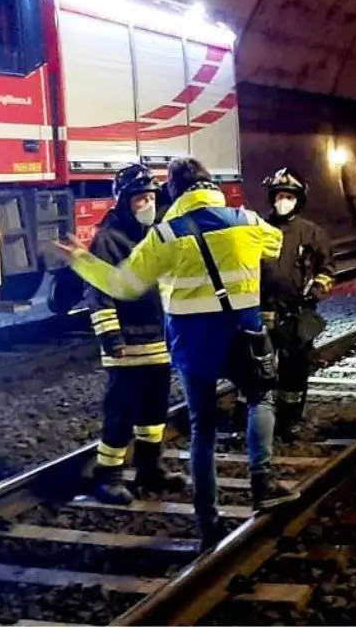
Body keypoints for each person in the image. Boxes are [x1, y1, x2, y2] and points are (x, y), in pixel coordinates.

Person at [55, 157, 296, 550]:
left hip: (192, 343)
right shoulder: (246, 220)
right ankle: (263, 478)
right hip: (242, 332)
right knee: (260, 398)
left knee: (202, 428)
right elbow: (276, 244)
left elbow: (123, 285)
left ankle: (208, 519)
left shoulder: (164, 236)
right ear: (210, 182)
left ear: (172, 192)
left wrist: (81, 261)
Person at [85, 164, 189, 504]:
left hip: (158, 341)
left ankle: (150, 468)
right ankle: (108, 475)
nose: (146, 205)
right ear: (123, 201)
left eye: (150, 198)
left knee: (155, 409)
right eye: (139, 199)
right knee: (122, 411)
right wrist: (111, 336)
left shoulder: (157, 235)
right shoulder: (108, 239)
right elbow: (99, 293)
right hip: (126, 343)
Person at [260, 168, 335, 439]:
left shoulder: (313, 234)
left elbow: (327, 270)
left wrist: (314, 292)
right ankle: (261, 418)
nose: (283, 200)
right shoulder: (259, 230)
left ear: (298, 199)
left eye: (288, 196)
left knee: (295, 368)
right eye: (279, 195)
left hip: (296, 313)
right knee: (260, 369)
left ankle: (290, 420)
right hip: (264, 312)